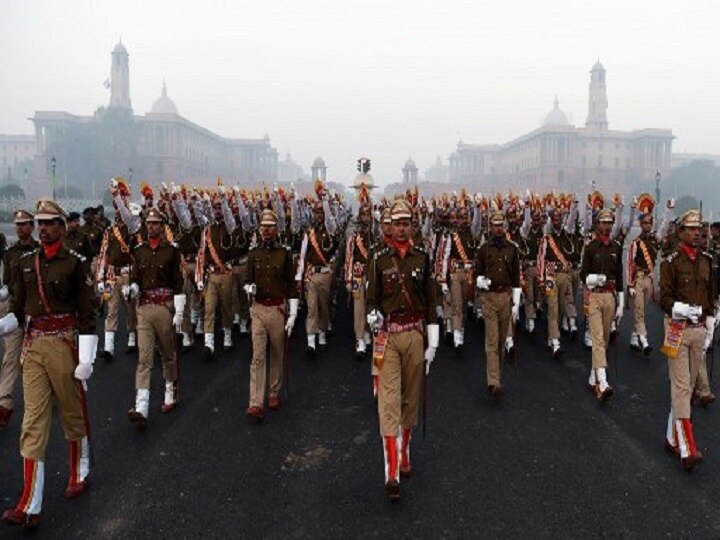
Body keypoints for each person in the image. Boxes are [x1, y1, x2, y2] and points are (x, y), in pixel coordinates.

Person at [0, 199, 97, 528]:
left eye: (49, 222)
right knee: (33, 421)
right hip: (34, 346)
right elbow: (17, 307)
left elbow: (87, 314)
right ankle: (30, 503)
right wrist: (3, 326)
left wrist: (86, 359)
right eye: (39, 222)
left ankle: (78, 471)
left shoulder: (76, 264)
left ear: (62, 226)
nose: (42, 228)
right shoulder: (26, 263)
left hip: (64, 343)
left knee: (71, 412)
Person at [366, 199, 438, 502]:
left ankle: (404, 448)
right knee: (389, 401)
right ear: (390, 226)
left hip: (416, 334)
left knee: (410, 400)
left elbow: (431, 301)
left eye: (406, 222)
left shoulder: (423, 258)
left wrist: (433, 340)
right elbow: (371, 298)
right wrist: (372, 315)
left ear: (412, 226)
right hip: (389, 336)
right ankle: (391, 471)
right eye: (397, 223)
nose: (401, 227)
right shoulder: (379, 259)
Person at [659, 209, 715, 470]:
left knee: (689, 389)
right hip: (677, 328)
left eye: (698, 228)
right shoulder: (670, 262)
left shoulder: (707, 261)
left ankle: (671, 438)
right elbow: (664, 298)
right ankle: (687, 447)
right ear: (681, 232)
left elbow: (712, 295)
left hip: (699, 329)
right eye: (691, 228)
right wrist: (681, 309)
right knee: (681, 387)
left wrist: (710, 321)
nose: (697, 232)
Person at [126, 208, 184, 428]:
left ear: (162, 226)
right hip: (144, 307)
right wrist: (132, 288)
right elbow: (135, 276)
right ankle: (141, 406)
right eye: (148, 223)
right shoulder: (139, 250)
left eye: (155, 223)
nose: (151, 226)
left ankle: (171, 390)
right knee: (144, 358)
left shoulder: (171, 251)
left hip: (164, 306)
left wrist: (179, 311)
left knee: (168, 354)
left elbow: (178, 281)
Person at [244, 209, 298, 422]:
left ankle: (273, 391)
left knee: (277, 352)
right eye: (263, 227)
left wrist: (292, 314)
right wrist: (248, 288)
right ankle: (255, 402)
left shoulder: (284, 253)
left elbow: (292, 285)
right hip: (258, 308)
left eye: (270, 227)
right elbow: (248, 278)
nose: (266, 231)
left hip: (277, 308)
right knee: (257, 356)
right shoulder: (254, 253)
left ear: (276, 229)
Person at [474, 210, 521, 400]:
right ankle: (493, 381)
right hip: (489, 298)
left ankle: (497, 376)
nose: (498, 229)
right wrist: (481, 282)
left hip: (505, 297)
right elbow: (476, 275)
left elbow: (517, 278)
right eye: (495, 225)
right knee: (492, 340)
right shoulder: (483, 250)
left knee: (502, 341)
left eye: (501, 225)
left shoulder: (512, 249)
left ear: (505, 227)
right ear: (490, 227)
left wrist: (516, 304)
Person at [0, 210, 39, 429]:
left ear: (31, 227)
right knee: (10, 357)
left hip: (36, 314)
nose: (20, 228)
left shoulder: (39, 251)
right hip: (15, 311)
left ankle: (45, 395)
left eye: (25, 224)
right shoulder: (10, 253)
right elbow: (7, 283)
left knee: (38, 359)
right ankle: (4, 402)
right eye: (18, 225)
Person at [580, 208, 624, 401]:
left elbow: (620, 276)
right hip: (596, 295)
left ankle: (593, 375)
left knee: (604, 339)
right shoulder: (590, 248)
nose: (607, 226)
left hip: (611, 296)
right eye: (603, 222)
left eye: (609, 223)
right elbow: (583, 275)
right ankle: (603, 381)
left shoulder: (616, 247)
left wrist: (621, 303)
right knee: (597, 338)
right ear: (597, 225)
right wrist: (593, 279)